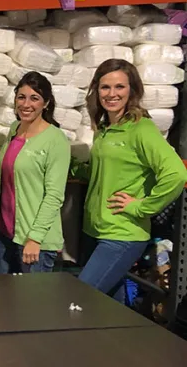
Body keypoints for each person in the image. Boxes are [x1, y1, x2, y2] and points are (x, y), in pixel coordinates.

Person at [78, 59, 187, 297]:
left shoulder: (141, 129)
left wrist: (141, 207)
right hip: (97, 231)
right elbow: (105, 173)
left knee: (80, 298)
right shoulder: (105, 130)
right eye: (105, 87)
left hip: (122, 234)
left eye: (119, 87)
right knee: (109, 313)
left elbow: (176, 174)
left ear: (132, 90)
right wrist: (74, 168)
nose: (111, 94)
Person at [0, 72, 69, 275]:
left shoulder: (56, 140)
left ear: (46, 103)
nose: (26, 104)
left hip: (35, 241)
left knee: (33, 305)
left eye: (34, 98)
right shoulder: (14, 129)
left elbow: (54, 195)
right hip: (5, 234)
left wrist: (35, 238)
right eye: (21, 97)